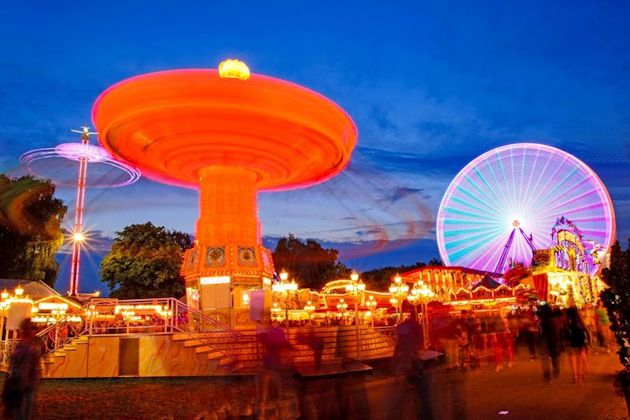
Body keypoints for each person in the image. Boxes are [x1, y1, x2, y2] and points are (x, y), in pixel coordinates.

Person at [3, 318, 43, 420]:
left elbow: (36, 358)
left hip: (28, 378)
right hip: (19, 378)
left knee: (26, 405)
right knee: (19, 405)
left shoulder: (35, 342)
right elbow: (14, 362)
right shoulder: (21, 345)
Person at [566, 307, 589, 385]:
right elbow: (585, 331)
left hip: (572, 342)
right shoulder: (580, 321)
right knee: (579, 360)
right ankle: (579, 377)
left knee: (572, 359)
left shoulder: (569, 322)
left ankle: (575, 377)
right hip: (581, 342)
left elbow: (568, 333)